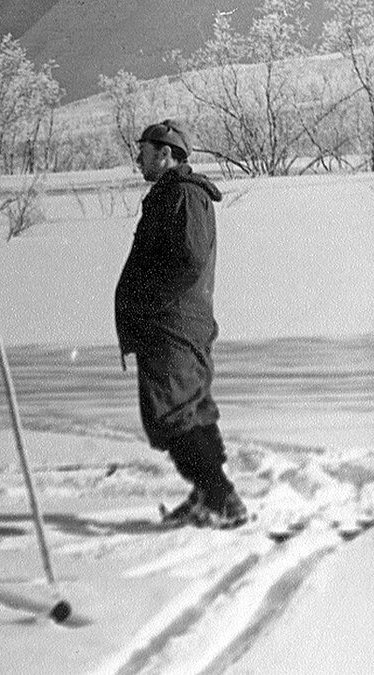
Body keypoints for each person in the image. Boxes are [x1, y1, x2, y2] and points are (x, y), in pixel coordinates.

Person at [116, 119, 247, 529]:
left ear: (166, 154)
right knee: (190, 410)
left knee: (173, 413)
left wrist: (151, 304)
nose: (138, 157)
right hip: (173, 322)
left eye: (144, 150)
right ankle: (206, 494)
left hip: (172, 325)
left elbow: (188, 260)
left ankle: (222, 498)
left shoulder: (184, 196)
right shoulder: (172, 195)